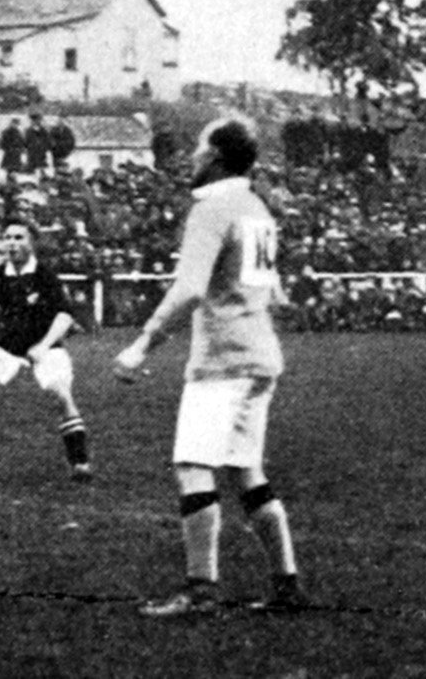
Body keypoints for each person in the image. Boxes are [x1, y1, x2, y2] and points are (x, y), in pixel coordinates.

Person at [114, 117, 309, 617]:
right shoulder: (256, 207)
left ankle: (200, 591)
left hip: (223, 359)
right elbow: (276, 289)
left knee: (193, 466)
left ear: (217, 158)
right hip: (261, 356)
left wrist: (142, 343)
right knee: (246, 470)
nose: (193, 157)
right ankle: (286, 584)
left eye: (200, 148)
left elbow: (190, 288)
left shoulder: (212, 208)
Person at [0, 222, 93, 482]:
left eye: (18, 237)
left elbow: (64, 316)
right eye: (7, 237)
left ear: (31, 242)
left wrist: (44, 345)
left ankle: (80, 463)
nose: (11, 242)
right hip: (9, 344)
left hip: (46, 345)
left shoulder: (45, 275)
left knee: (61, 396)